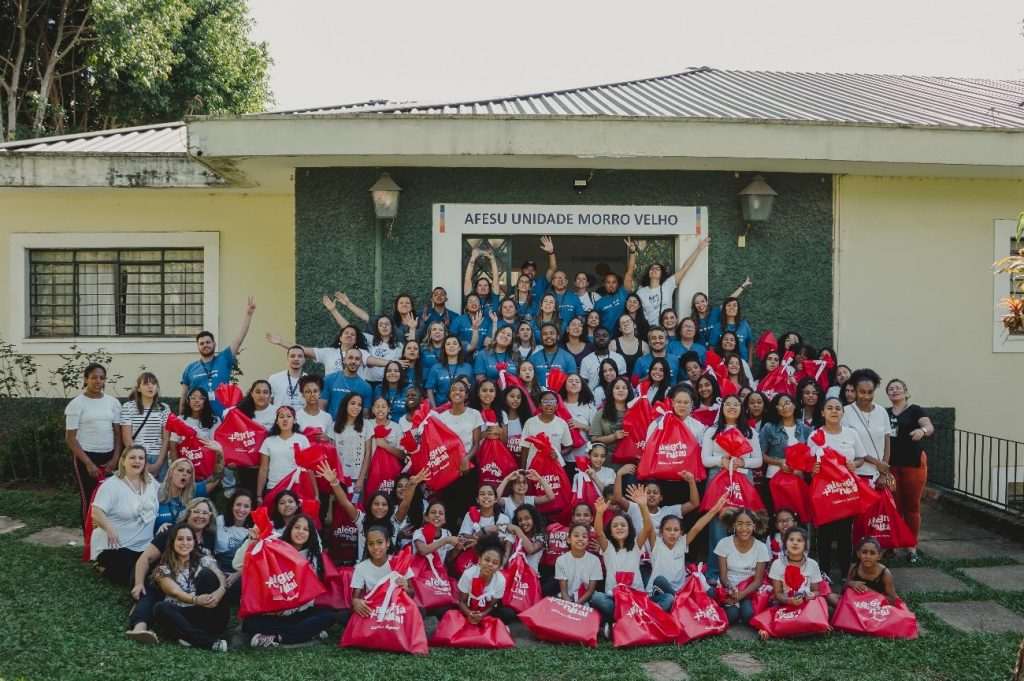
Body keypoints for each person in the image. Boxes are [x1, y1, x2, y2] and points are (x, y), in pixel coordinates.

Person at [127, 498, 218, 644]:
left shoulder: (209, 537)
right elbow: (146, 559)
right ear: (188, 513)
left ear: (210, 517)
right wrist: (138, 583)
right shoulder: (170, 531)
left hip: (185, 580)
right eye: (196, 511)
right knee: (151, 595)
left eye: (205, 513)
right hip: (156, 575)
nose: (200, 516)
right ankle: (140, 628)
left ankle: (189, 629)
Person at [241, 513, 339, 647]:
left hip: (299, 611)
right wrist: (251, 542)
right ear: (290, 529)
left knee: (328, 615)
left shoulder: (314, 558)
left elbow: (310, 596)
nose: (301, 532)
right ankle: (307, 632)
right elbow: (237, 565)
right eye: (297, 527)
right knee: (249, 623)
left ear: (311, 534)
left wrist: (289, 607)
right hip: (272, 612)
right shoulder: (273, 548)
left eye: (306, 529)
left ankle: (277, 638)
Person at [701, 395, 764, 581]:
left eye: (736, 404)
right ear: (722, 408)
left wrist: (743, 461)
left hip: (743, 479)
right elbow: (705, 459)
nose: (732, 407)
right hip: (718, 479)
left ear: (742, 408)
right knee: (717, 526)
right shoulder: (712, 431)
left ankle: (744, 573)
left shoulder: (749, 431)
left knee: (744, 523)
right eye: (728, 404)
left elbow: (758, 460)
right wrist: (721, 460)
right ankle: (714, 574)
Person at [812, 396, 868, 579]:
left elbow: (861, 457)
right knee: (825, 533)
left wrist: (855, 465)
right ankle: (824, 572)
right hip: (825, 491)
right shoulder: (815, 435)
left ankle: (846, 573)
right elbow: (810, 464)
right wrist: (813, 468)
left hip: (845, 490)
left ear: (843, 413)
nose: (834, 411)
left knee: (845, 532)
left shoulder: (851, 433)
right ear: (822, 412)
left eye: (838, 408)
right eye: (830, 408)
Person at [151, 523, 229, 652]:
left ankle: (188, 636)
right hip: (185, 616)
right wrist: (196, 600)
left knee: (206, 574)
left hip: (210, 613)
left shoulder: (204, 558)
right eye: (180, 539)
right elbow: (174, 592)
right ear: (172, 542)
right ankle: (206, 641)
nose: (185, 543)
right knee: (160, 608)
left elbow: (219, 575)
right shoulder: (163, 569)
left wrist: (220, 591)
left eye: (189, 539)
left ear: (194, 542)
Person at [89, 444, 159, 586]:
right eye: (132, 457)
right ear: (123, 461)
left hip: (144, 545)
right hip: (118, 545)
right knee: (126, 576)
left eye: (141, 458)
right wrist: (109, 528)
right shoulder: (112, 485)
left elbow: (166, 493)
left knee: (153, 572)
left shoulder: (150, 481)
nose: (137, 461)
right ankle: (101, 564)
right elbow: (96, 512)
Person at [648, 496, 729, 611]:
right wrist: (642, 505)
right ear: (661, 532)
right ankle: (680, 603)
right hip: (659, 591)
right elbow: (648, 526)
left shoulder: (682, 542)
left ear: (681, 532)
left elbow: (697, 527)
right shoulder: (657, 544)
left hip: (679, 591)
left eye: (676, 530)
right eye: (668, 529)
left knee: (699, 586)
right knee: (661, 583)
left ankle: (680, 603)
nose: (672, 533)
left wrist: (715, 509)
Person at [66, 363, 122, 529]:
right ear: (86, 379)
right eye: (94, 377)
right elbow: (70, 438)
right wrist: (88, 463)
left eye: (102, 378)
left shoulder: (113, 402)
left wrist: (115, 458)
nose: (98, 381)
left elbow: (118, 434)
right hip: (86, 457)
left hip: (109, 457)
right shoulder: (77, 404)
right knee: (90, 499)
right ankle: (89, 543)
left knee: (110, 499)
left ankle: (107, 539)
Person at [180, 297, 255, 416]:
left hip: (223, 417)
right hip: (200, 420)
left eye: (208, 342)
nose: (205, 345)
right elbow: (184, 395)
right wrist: (181, 416)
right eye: (202, 343)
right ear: (198, 347)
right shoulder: (190, 368)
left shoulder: (224, 359)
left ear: (214, 344)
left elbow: (239, 339)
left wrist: (248, 315)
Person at [885, 378, 934, 562]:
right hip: (891, 466)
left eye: (898, 388)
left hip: (913, 464)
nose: (894, 390)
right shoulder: (885, 412)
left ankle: (911, 546)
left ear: (906, 392)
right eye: (891, 389)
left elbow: (929, 426)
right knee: (894, 507)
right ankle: (894, 544)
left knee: (911, 507)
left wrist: (922, 431)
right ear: (888, 394)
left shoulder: (915, 410)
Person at [591, 489, 651, 628]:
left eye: (623, 525)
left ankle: (615, 623)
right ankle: (627, 621)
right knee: (597, 598)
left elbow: (647, 529)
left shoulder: (636, 545)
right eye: (615, 525)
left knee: (666, 599)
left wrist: (642, 506)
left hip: (636, 599)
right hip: (614, 598)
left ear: (629, 529)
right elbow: (598, 532)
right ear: (610, 530)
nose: (619, 528)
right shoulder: (608, 547)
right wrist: (600, 512)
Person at [632, 236, 709, 326]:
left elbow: (685, 268)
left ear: (662, 273)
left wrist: (699, 249)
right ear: (648, 273)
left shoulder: (668, 285)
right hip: (648, 330)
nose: (654, 270)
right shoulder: (641, 292)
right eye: (651, 269)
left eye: (657, 269)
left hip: (667, 329)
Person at [714, 507, 770, 624]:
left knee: (748, 614)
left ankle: (743, 606)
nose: (744, 528)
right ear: (734, 525)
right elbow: (723, 576)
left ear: (754, 526)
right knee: (732, 616)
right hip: (730, 588)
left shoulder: (761, 547)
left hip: (750, 589)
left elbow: (758, 580)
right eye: (740, 524)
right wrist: (730, 588)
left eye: (748, 524)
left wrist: (742, 595)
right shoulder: (724, 543)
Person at [351, 525, 413, 623]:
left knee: (419, 611)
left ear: (387, 543)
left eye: (380, 542)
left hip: (396, 607)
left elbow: (412, 593)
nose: (375, 547)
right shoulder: (361, 567)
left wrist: (405, 588)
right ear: (367, 546)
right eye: (371, 544)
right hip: (373, 608)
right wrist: (356, 602)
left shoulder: (400, 562)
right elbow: (355, 597)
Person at [256, 406, 311, 507]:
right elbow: (263, 469)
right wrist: (259, 495)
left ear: (294, 420)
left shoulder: (302, 440)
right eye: (281, 417)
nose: (285, 419)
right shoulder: (268, 441)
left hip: (296, 487)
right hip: (273, 487)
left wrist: (315, 494)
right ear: (277, 421)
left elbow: (308, 469)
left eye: (289, 416)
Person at [843, 368, 891, 482]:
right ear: (855, 390)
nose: (866, 396)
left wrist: (883, 472)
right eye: (862, 392)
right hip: (856, 474)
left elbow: (887, 442)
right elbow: (850, 445)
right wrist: (877, 463)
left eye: (870, 392)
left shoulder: (882, 411)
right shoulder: (845, 412)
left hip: (879, 475)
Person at [120, 372, 171, 479]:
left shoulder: (164, 408)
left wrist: (159, 463)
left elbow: (166, 438)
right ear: (138, 388)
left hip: (158, 456)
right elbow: (127, 438)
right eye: (146, 384)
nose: (150, 386)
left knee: (160, 492)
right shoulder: (128, 407)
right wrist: (139, 460)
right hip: (136, 457)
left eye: (153, 383)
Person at [767, 527, 822, 616]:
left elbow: (816, 591)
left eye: (799, 540)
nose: (795, 543)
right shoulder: (777, 564)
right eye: (791, 540)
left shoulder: (813, 564)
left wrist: (811, 595)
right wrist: (788, 600)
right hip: (784, 604)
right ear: (785, 543)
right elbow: (778, 593)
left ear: (805, 545)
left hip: (807, 605)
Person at [759, 394, 812, 488]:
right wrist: (780, 462)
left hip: (798, 478)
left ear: (794, 405)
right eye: (780, 405)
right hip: (773, 477)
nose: (784, 407)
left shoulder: (805, 429)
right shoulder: (769, 427)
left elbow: (810, 455)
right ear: (777, 410)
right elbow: (760, 455)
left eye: (787, 403)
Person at [154, 459, 209, 533]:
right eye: (180, 470)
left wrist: (219, 454)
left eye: (188, 472)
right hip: (157, 541)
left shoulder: (193, 495)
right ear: (171, 472)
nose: (184, 474)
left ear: (190, 478)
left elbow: (215, 478)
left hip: (183, 542)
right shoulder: (155, 493)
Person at [555, 523, 603, 607]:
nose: (580, 539)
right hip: (566, 599)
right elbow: (564, 591)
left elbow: (590, 590)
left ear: (588, 541)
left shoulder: (595, 560)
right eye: (576, 536)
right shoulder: (561, 560)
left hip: (585, 600)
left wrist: (577, 605)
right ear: (569, 540)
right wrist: (569, 605)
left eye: (584, 537)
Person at [520, 390, 572, 467]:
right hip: (533, 469)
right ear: (540, 405)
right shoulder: (530, 422)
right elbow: (525, 448)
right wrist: (523, 470)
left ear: (557, 405)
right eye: (545, 401)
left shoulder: (562, 423)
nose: (548, 404)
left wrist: (558, 454)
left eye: (552, 401)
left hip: (554, 469)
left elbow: (569, 446)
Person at [594, 242, 638, 332]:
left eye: (614, 282)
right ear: (604, 284)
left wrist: (632, 253)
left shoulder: (623, 293)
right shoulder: (599, 303)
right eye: (608, 282)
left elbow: (629, 273)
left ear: (618, 284)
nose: (611, 285)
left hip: (623, 337)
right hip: (606, 340)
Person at [841, 537, 900, 603]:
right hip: (857, 601)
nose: (868, 556)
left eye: (872, 553)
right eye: (864, 552)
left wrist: (870, 593)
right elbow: (843, 589)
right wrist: (851, 583)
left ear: (879, 556)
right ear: (858, 554)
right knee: (832, 597)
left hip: (875, 604)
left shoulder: (885, 573)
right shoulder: (854, 567)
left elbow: (893, 598)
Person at [589, 376, 633, 461]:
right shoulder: (601, 413)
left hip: (630, 461)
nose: (621, 390)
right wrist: (613, 437)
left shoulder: (635, 412)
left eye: (624, 388)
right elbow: (594, 440)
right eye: (617, 388)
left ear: (629, 391)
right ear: (611, 391)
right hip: (607, 461)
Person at [321, 348, 373, 418]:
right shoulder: (329, 379)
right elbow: (322, 407)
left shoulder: (366, 387)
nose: (353, 361)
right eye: (350, 358)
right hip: (332, 425)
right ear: (344, 360)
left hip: (353, 427)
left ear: (361, 362)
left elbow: (365, 415)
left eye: (357, 359)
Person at [425, 336, 474, 408]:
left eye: (454, 344)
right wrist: (434, 409)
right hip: (441, 410)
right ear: (444, 349)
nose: (451, 346)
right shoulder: (436, 368)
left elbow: (471, 389)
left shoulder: (468, 367)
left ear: (460, 348)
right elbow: (429, 390)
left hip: (462, 409)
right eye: (448, 344)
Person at [215, 488, 253, 574]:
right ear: (232, 505)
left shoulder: (253, 529)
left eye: (246, 506)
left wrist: (238, 574)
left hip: (242, 572)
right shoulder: (220, 521)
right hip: (219, 568)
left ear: (251, 509)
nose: (241, 509)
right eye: (238, 505)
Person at [579, 327, 626, 392]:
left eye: (605, 336)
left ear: (610, 339)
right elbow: (583, 385)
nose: (601, 338)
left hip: (616, 397)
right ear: (593, 339)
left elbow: (624, 381)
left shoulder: (619, 358)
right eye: (597, 336)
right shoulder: (586, 360)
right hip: (593, 399)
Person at [560, 374, 596, 459]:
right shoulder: (559, 405)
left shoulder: (589, 406)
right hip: (563, 457)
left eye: (577, 381)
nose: (574, 383)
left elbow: (597, 432)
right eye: (570, 381)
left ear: (582, 386)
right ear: (564, 385)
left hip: (584, 456)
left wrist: (581, 426)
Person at [267, 344, 307, 411]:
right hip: (280, 419)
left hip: (302, 420)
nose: (296, 359)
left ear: (304, 360)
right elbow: (268, 403)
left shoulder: (309, 380)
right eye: (292, 356)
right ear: (287, 359)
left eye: (300, 356)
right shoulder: (274, 378)